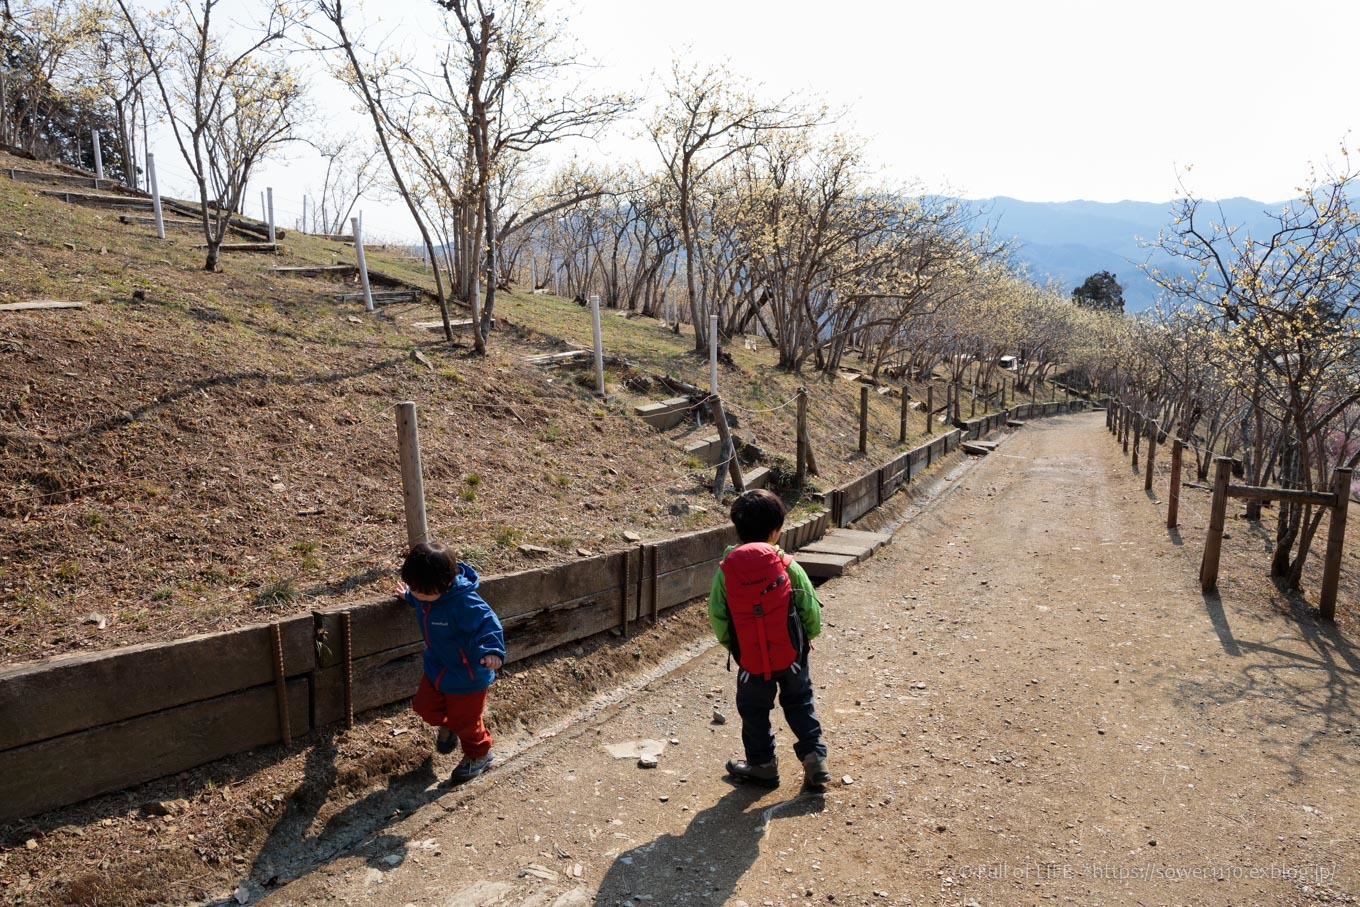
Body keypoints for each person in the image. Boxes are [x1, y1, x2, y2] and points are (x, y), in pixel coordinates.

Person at [708, 489, 830, 790]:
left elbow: (717, 615)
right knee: (800, 703)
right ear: (776, 531)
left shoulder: (726, 571)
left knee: (753, 713)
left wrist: (734, 647)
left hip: (750, 661)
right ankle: (814, 759)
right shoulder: (787, 565)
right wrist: (808, 639)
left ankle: (762, 766)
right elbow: (809, 606)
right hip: (792, 657)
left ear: (737, 530)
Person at [397, 541, 506, 783]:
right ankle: (449, 726)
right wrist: (407, 595)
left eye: (422, 591)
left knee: (465, 721)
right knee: (424, 707)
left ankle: (480, 754)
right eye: (414, 588)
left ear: (445, 584)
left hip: (467, 676)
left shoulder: (465, 602)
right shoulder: (426, 593)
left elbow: (488, 624)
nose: (418, 595)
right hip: (438, 667)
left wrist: (492, 652)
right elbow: (420, 601)